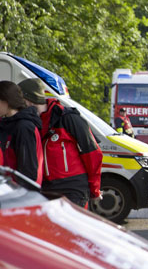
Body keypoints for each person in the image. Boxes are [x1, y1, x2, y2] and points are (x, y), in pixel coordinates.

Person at [18, 78, 103, 208]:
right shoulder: (30, 123)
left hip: (73, 189)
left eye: (20, 101)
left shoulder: (68, 118)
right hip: (45, 189)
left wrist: (95, 190)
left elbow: (93, 153)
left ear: (28, 100)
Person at [0, 81, 43, 183]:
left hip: (21, 193)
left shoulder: (24, 127)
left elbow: (28, 171)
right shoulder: (7, 124)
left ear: (6, 102)